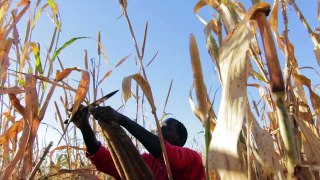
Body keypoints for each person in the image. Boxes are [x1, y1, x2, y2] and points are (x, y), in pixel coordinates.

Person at [72, 105, 205, 180]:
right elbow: (106, 160)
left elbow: (165, 152)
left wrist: (122, 120)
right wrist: (84, 126)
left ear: (179, 139)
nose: (159, 130)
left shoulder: (192, 159)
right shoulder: (146, 161)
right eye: (158, 127)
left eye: (166, 127)